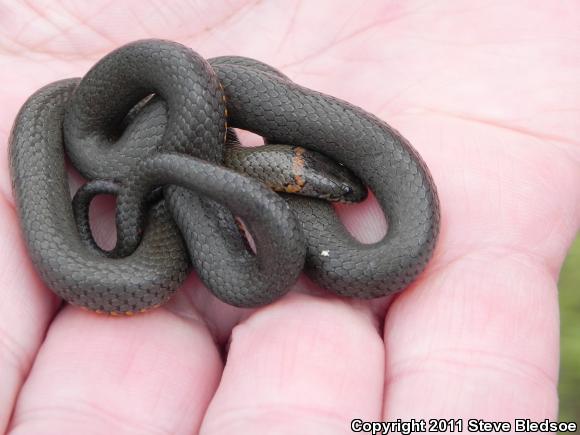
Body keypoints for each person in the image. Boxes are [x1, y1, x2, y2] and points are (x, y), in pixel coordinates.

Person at [1, 1, 578, 433]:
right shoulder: (85, 116)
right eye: (330, 188)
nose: (345, 194)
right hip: (144, 140)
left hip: (190, 144)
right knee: (205, 92)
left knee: (223, 85)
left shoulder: (210, 102)